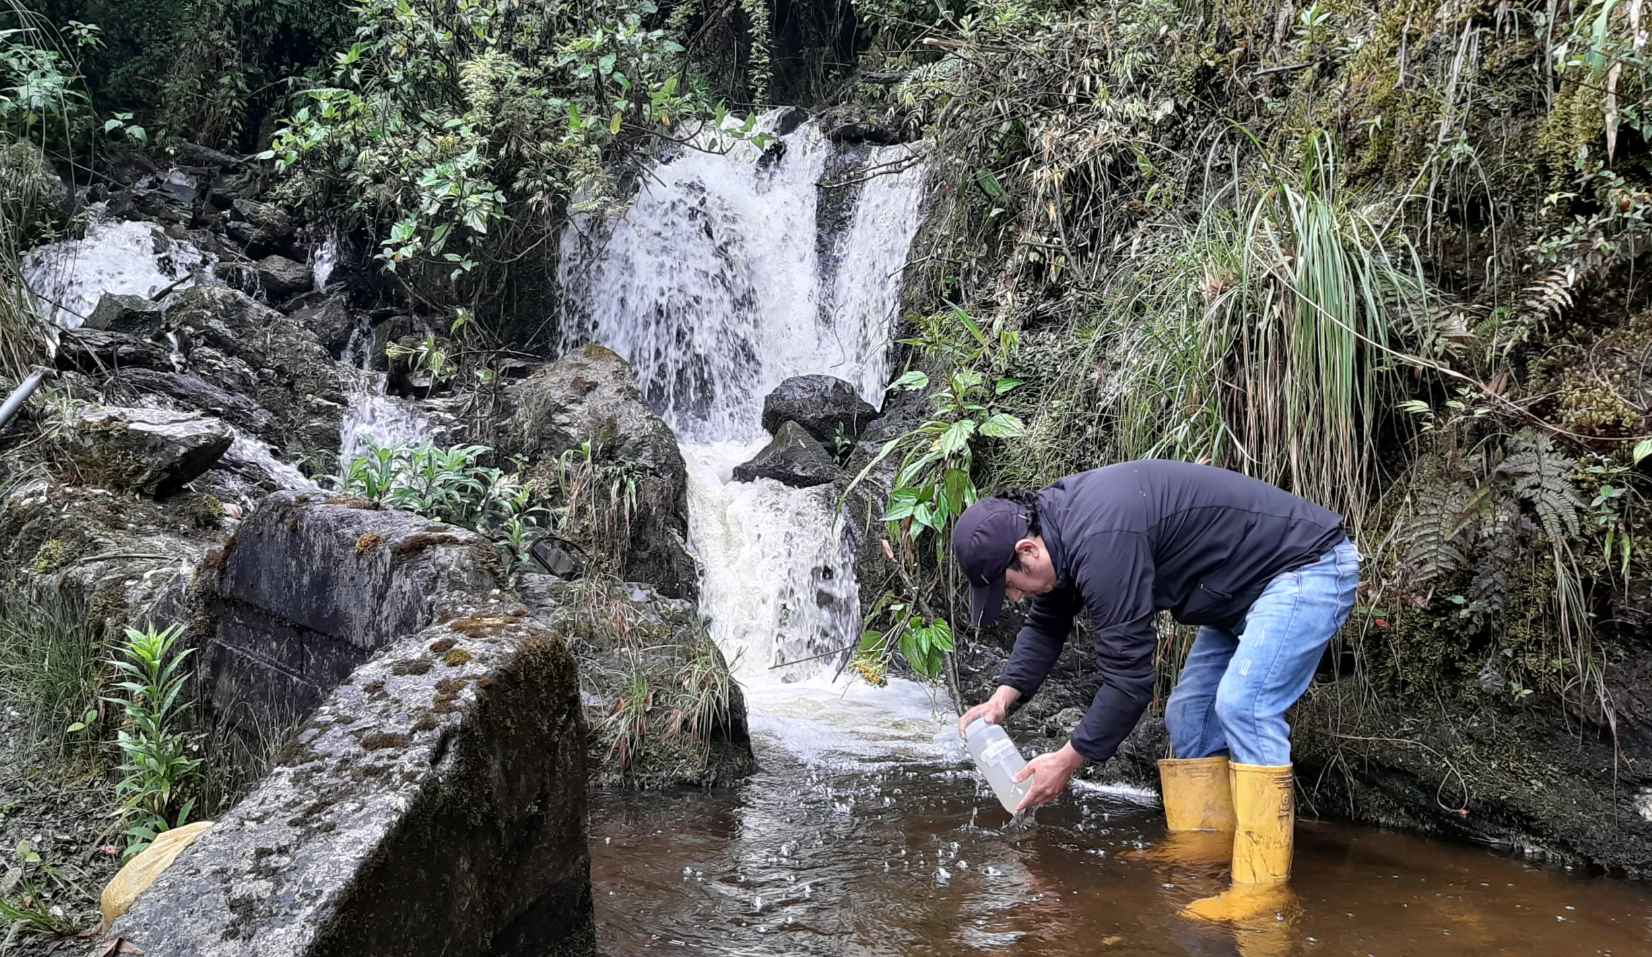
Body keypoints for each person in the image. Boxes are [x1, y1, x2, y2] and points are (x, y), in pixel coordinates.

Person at [952, 460, 1359, 920]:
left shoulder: (1102, 542)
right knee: (1189, 716)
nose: (1014, 599)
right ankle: (1206, 850)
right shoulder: (1057, 529)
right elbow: (1049, 621)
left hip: (1306, 568)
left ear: (1027, 549)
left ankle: (1262, 888)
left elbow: (1130, 682)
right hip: (1238, 594)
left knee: (1244, 707)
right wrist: (1004, 695)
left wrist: (1069, 758)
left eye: (1010, 585)